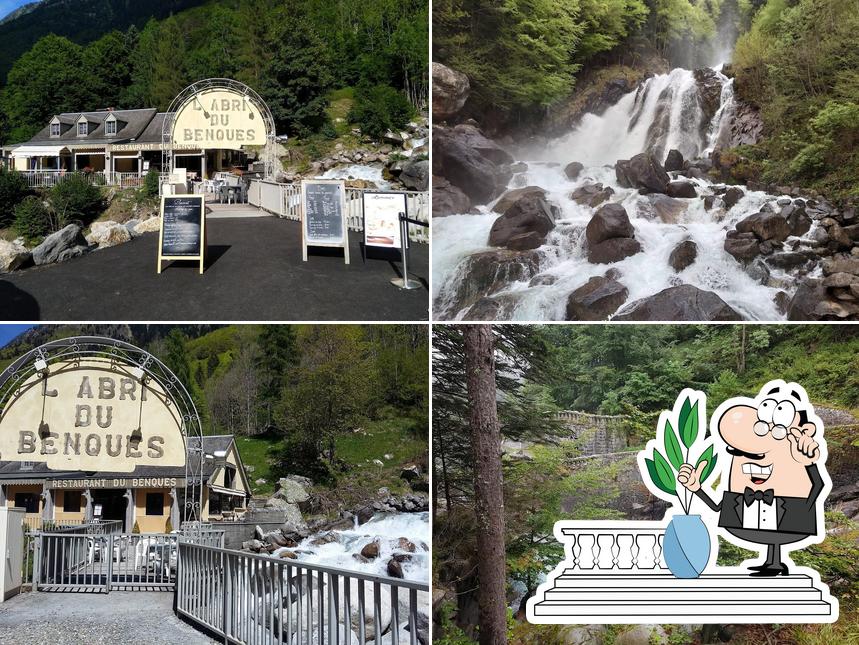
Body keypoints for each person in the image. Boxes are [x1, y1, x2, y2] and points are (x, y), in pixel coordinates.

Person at [678, 382, 825, 577]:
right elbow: (716, 508)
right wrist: (696, 487)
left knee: (777, 533)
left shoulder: (797, 454)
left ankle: (775, 562)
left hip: (788, 510)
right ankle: (771, 562)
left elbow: (819, 484)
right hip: (749, 513)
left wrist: (805, 502)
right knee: (771, 534)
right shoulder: (739, 492)